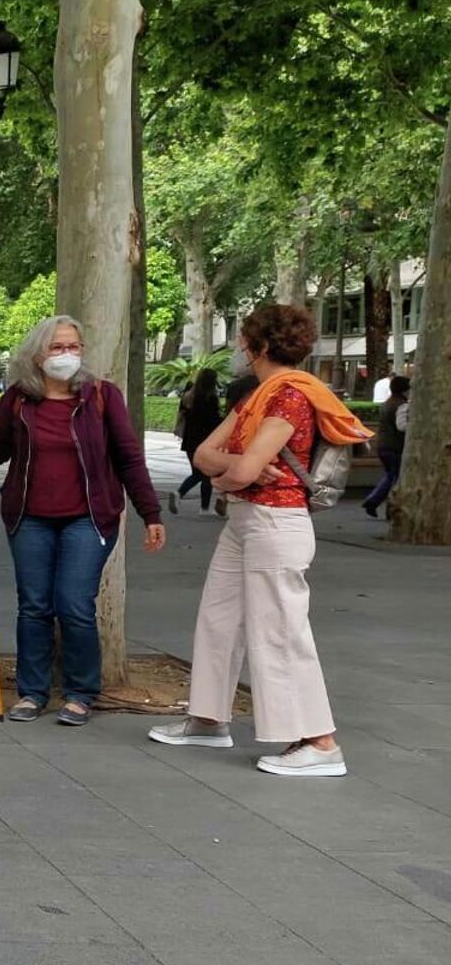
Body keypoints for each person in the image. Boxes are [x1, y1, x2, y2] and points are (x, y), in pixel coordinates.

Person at [150, 303, 371, 775]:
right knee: (219, 618)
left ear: (260, 347)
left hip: (276, 520)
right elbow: (204, 457)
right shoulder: (258, 395)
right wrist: (237, 471)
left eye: (244, 340)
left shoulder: (287, 396)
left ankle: (320, 742)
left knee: (280, 630)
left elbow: (229, 465)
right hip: (249, 519)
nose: (239, 349)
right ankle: (208, 719)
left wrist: (230, 474)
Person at [0, 315, 165, 726]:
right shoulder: (18, 399)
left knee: (74, 604)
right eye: (57, 348)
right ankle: (33, 692)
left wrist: (151, 513)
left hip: (89, 519)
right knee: (34, 606)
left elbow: (128, 457)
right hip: (29, 518)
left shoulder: (102, 397)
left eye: (74, 347)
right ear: (37, 355)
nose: (66, 355)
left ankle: (80, 692)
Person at [169, 368, 224, 515]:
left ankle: (181, 495)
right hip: (204, 441)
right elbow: (213, 421)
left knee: (198, 472)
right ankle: (202, 506)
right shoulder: (210, 398)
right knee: (205, 474)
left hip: (189, 440)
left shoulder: (188, 397)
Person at [363, 374, 409, 518]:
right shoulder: (402, 405)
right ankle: (382, 504)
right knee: (395, 477)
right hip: (395, 446)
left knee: (391, 475)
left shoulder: (387, 403)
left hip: (383, 445)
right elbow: (402, 427)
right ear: (405, 390)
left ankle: (374, 500)